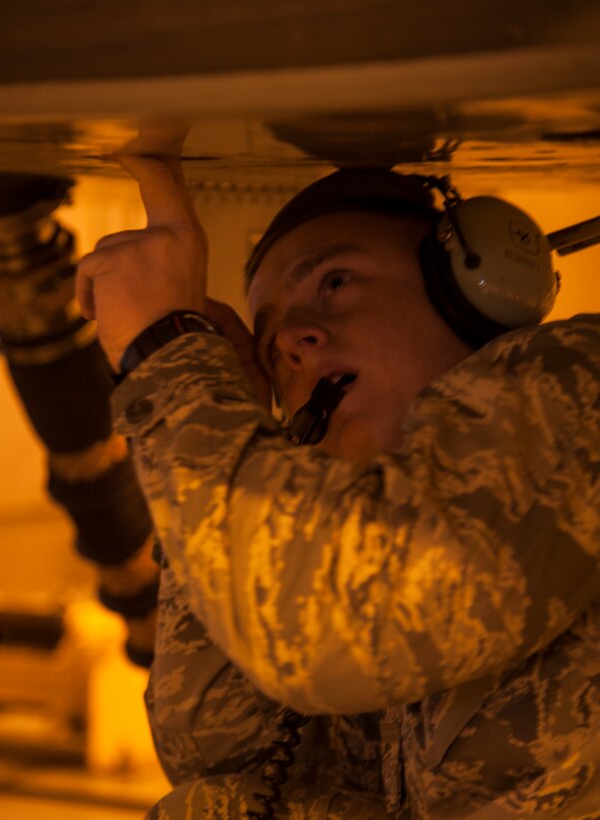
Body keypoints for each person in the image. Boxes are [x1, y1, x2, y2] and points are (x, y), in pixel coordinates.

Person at [77, 154, 600, 818]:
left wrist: (166, 356)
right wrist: (232, 426)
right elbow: (214, 751)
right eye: (270, 347)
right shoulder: (354, 532)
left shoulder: (575, 386)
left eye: (335, 281)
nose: (294, 339)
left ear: (474, 291)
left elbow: (326, 632)